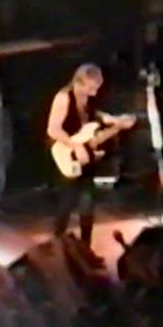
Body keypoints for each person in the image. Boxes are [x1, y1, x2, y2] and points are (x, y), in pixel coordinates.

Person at [46, 63, 136, 257]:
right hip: (67, 155)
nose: (95, 91)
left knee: (87, 204)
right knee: (66, 205)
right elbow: (53, 129)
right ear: (80, 81)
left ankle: (85, 251)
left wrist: (116, 122)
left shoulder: (87, 98)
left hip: (86, 157)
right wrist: (75, 146)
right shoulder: (64, 97)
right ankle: (55, 251)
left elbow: (94, 117)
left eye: (98, 86)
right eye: (92, 86)